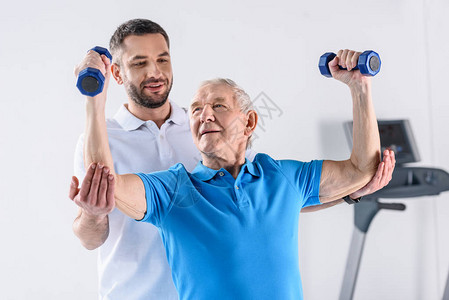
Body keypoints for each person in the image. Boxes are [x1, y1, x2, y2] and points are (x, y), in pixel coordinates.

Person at [70, 43, 390, 299]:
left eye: (218, 106)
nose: (204, 115)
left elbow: (362, 169)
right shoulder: (171, 191)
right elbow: (104, 180)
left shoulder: (281, 176)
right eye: (196, 109)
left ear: (249, 122)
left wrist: (360, 87)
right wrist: (94, 102)